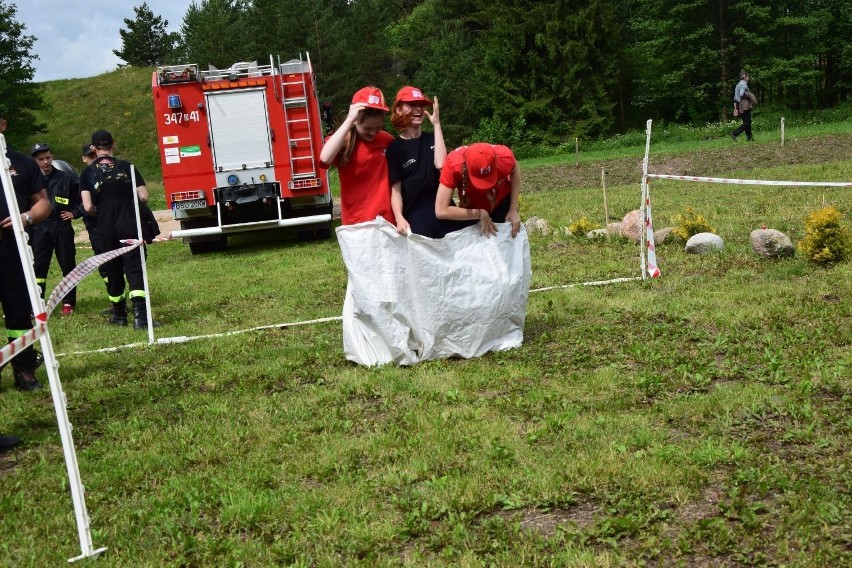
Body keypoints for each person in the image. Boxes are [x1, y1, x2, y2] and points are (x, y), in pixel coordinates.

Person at [80, 130, 159, 330]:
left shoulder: (87, 173)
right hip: (129, 224)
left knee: (113, 269)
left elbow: (87, 207)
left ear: (93, 148)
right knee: (134, 268)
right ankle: (141, 318)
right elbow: (143, 196)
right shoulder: (128, 167)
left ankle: (118, 315)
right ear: (113, 145)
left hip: (105, 228)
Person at [1, 141, 51, 394]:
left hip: (13, 248)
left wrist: (26, 217)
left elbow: (43, 203)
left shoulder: (21, 163)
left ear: (3, 125)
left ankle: (24, 371)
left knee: (19, 313)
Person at [319, 87, 395, 226]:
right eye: (367, 128)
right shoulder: (343, 141)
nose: (373, 133)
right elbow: (324, 158)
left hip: (387, 220)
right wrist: (349, 120)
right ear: (355, 120)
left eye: (378, 128)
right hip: (357, 222)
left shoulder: (387, 140)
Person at [386, 86, 450, 238]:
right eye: (412, 105)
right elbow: (396, 190)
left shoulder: (433, 137)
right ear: (399, 110)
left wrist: (437, 125)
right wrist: (399, 218)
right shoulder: (395, 148)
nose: (418, 109)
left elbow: (441, 164)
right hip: (416, 209)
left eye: (421, 105)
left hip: (442, 206)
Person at [30, 143, 82, 315]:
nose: (45, 162)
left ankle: (68, 303)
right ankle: (37, 304)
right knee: (38, 268)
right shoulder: (31, 181)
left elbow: (82, 198)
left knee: (68, 265)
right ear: (34, 161)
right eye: (41, 159)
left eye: (48, 158)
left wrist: (74, 213)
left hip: (62, 228)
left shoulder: (66, 178)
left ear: (52, 157)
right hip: (40, 228)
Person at [435, 143, 522, 238]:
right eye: (479, 180)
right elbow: (441, 210)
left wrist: (513, 209)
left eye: (489, 178)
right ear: (466, 168)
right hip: (471, 209)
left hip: (500, 202)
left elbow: (515, 170)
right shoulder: (453, 164)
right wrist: (479, 213)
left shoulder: (504, 156)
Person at [731, 70, 756, 142]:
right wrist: (749, 95)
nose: (748, 78)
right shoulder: (744, 84)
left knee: (747, 121)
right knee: (747, 122)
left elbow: (735, 98)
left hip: (739, 105)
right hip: (744, 104)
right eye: (748, 76)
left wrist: (736, 108)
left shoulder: (738, 84)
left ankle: (749, 137)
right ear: (744, 77)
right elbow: (742, 94)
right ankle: (734, 133)